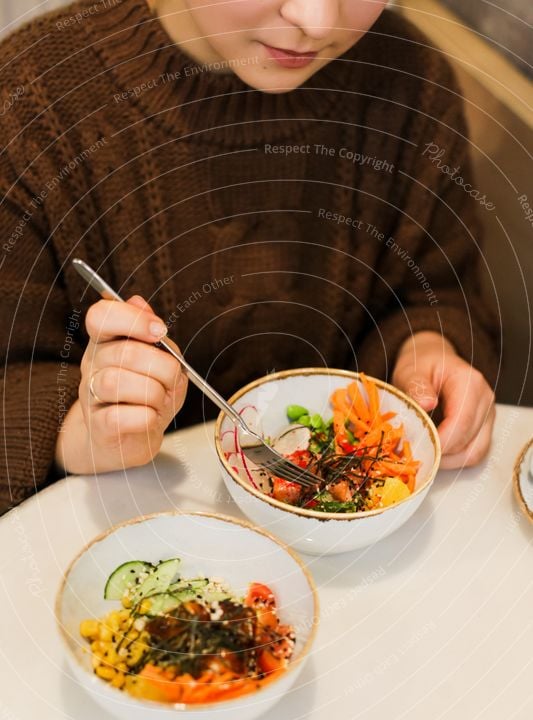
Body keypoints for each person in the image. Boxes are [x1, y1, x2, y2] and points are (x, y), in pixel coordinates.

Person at [0, 0, 498, 514]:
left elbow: (437, 292)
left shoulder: (409, 79)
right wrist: (75, 431)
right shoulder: (29, 97)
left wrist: (428, 351)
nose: (318, 21)